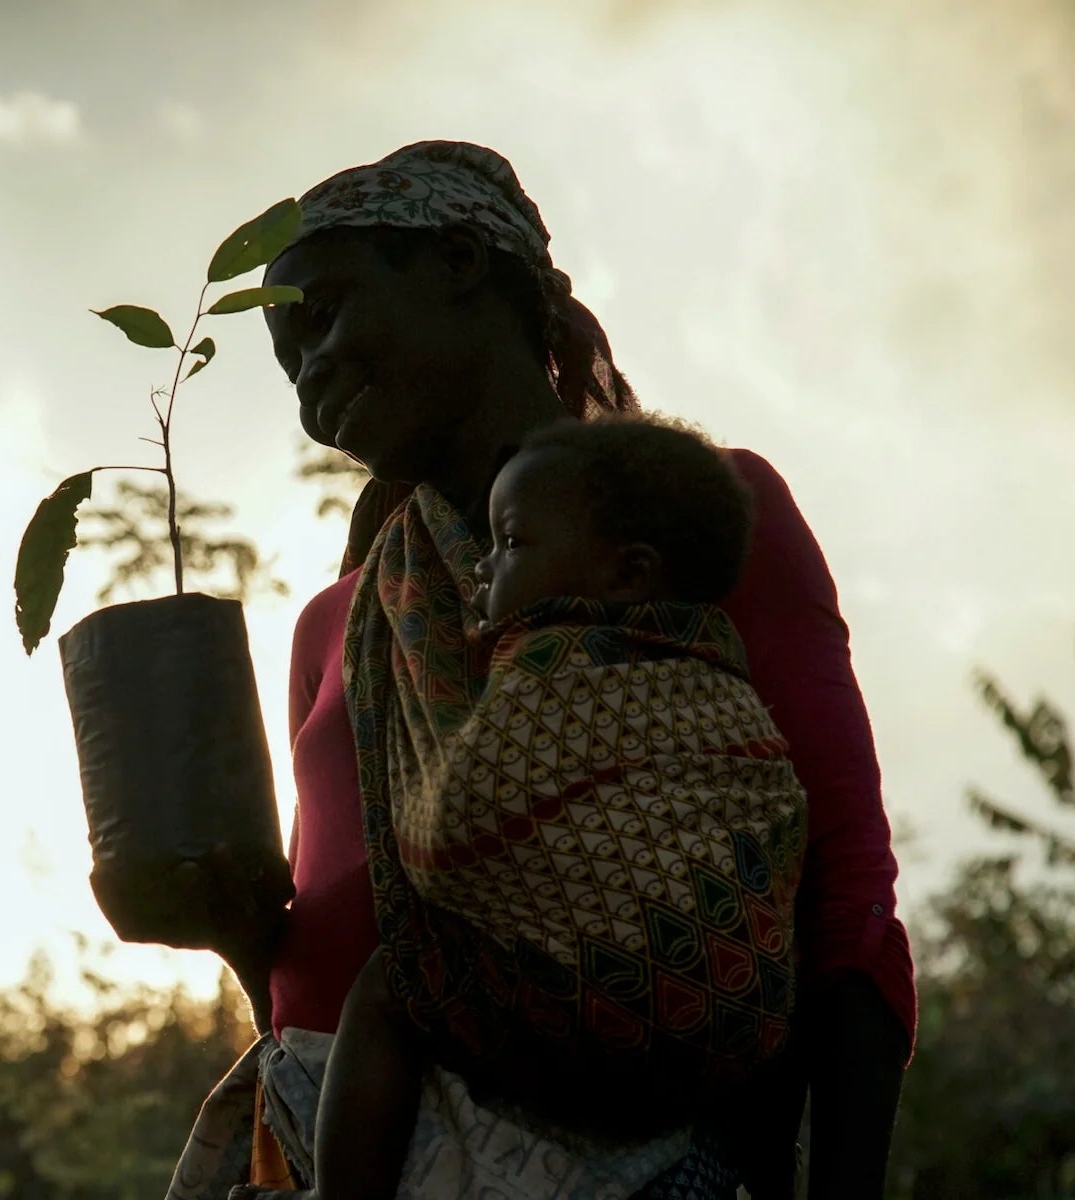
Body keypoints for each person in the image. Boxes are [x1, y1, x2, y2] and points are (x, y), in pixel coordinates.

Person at [188, 141, 914, 1200]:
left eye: (328, 314)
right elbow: (330, 948)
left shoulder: (693, 521)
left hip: (627, 1157)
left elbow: (844, 894)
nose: (312, 378)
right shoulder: (338, 625)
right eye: (290, 364)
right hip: (329, 1145)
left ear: (458, 263)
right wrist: (230, 931)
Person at [302, 414, 810, 1200]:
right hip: (736, 1026)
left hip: (608, 1017)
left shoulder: (553, 657)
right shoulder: (714, 670)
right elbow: (771, 823)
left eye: (512, 545)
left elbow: (456, 830)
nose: (483, 573)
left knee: (391, 981)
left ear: (626, 575)